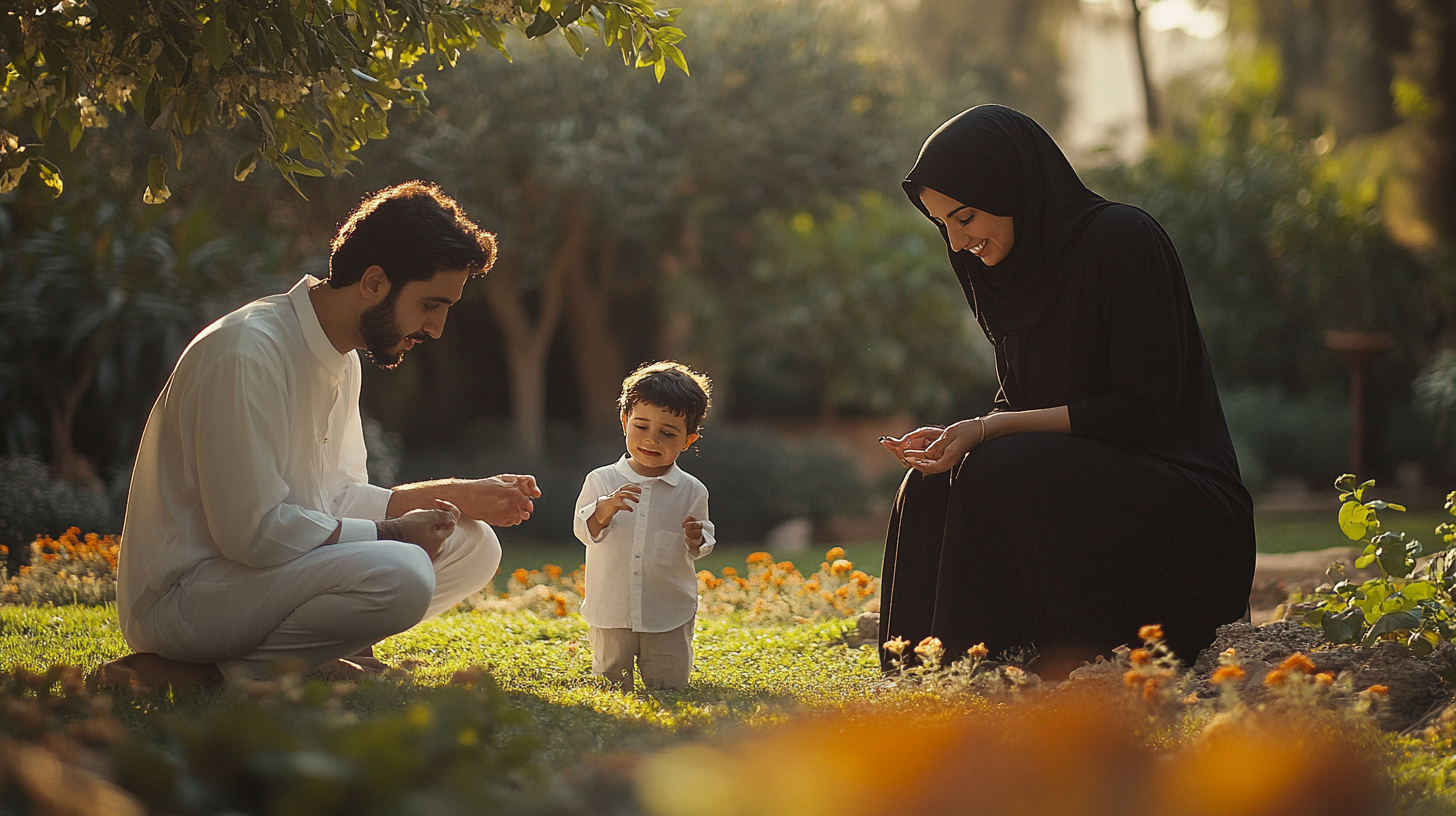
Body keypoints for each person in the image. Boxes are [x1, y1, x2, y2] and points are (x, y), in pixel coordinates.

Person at [108, 181, 541, 687]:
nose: (438, 328)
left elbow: (336, 497)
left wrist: (455, 496)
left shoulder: (342, 358)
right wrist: (394, 534)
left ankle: (314, 656)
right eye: (430, 304)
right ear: (374, 282)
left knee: (474, 545)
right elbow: (252, 534)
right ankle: (205, 676)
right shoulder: (246, 352)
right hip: (188, 597)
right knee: (403, 572)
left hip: (262, 579)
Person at [877, 105, 1255, 676]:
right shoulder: (998, 268)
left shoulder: (1123, 238)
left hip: (1179, 498)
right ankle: (928, 673)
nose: (956, 242)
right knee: (933, 482)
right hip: (1076, 479)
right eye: (943, 226)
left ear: (1013, 187)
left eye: (966, 216)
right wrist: (964, 437)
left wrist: (992, 430)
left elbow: (1142, 415)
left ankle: (1056, 662)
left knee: (1000, 465)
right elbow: (1024, 397)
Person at [573, 361, 714, 691]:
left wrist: (698, 538)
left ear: (688, 440)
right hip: (611, 605)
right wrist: (603, 510)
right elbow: (584, 531)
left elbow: (703, 540)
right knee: (611, 681)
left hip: (667, 607)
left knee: (669, 684)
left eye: (667, 433)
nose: (651, 440)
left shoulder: (692, 491)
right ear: (624, 422)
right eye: (641, 426)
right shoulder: (601, 480)